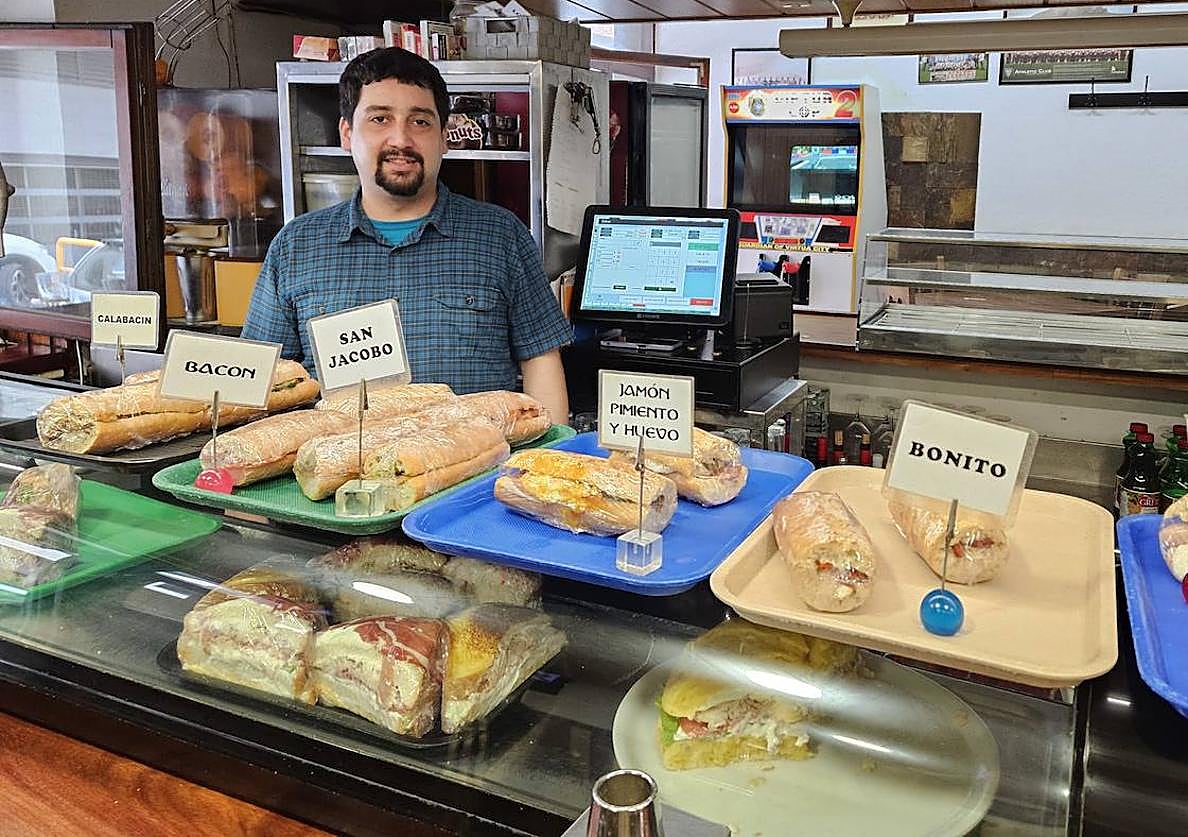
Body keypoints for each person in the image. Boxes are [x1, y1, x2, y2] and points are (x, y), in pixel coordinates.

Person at [241, 48, 571, 423]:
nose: (401, 139)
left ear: (444, 137)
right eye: (380, 118)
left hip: (479, 459)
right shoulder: (296, 246)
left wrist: (553, 451)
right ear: (347, 133)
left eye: (420, 122)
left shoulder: (501, 236)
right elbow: (262, 381)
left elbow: (541, 359)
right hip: (335, 457)